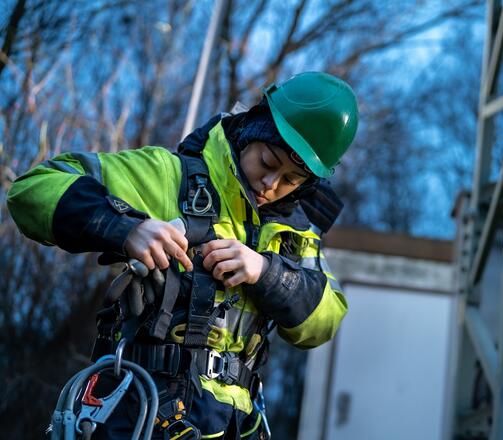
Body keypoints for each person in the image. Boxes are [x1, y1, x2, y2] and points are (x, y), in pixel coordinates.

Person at [7, 71, 358, 439]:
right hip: (143, 413)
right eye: (268, 163)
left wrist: (267, 273)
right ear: (251, 130)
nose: (272, 185)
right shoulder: (168, 176)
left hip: (239, 426)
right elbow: (32, 190)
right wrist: (125, 227)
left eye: (291, 180)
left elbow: (326, 320)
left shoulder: (297, 237)